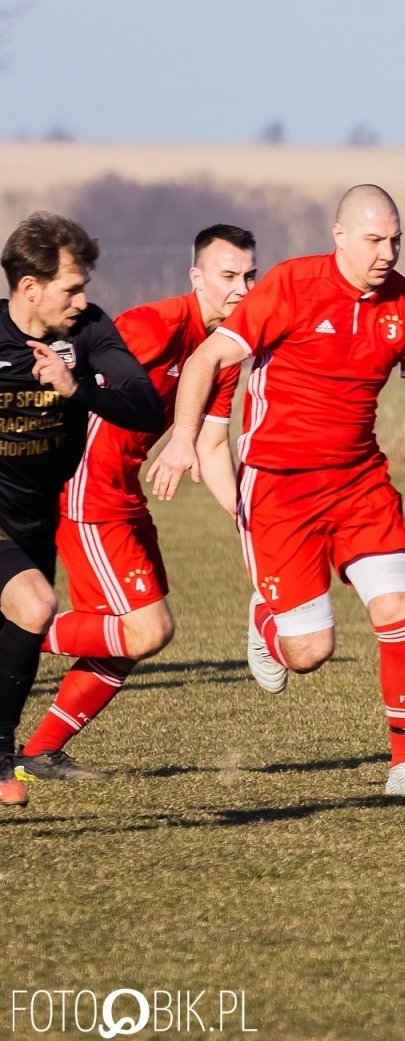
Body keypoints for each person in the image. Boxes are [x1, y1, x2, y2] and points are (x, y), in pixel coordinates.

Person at [150, 186, 405, 798]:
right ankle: (268, 620)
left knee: (398, 613)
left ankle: (404, 765)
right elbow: (205, 362)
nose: (388, 252)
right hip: (281, 490)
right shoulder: (291, 285)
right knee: (309, 652)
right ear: (340, 236)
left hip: (360, 482)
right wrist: (181, 439)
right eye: (375, 239)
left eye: (396, 239)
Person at [14, 225, 253, 782]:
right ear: (196, 277)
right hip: (86, 489)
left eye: (249, 276)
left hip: (124, 495)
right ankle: (13, 622)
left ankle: (39, 753)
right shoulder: (155, 325)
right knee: (147, 629)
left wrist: (249, 517)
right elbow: (64, 376)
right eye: (227, 277)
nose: (241, 289)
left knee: (122, 638)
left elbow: (212, 443)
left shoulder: (226, 353)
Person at [0, 212, 164, 805]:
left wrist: (79, 390)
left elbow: (147, 406)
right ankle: (1, 762)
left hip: (38, 515)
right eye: (71, 287)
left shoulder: (89, 330)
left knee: (29, 618)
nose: (82, 298)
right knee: (36, 603)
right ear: (30, 288)